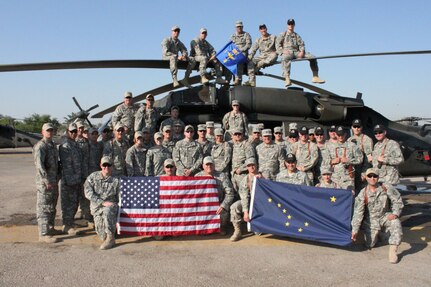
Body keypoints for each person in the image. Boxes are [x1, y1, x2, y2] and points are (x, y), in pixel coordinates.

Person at [351, 168, 403, 264]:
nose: (372, 178)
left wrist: (395, 213)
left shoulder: (385, 187)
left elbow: (397, 200)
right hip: (371, 221)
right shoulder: (363, 194)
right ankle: (380, 234)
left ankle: (393, 251)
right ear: (366, 178)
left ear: (378, 177)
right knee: (370, 244)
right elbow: (358, 213)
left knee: (395, 222)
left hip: (384, 216)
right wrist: (355, 230)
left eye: (375, 176)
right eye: (369, 176)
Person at [84, 156, 120, 250]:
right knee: (102, 236)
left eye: (109, 165)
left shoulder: (116, 180)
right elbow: (88, 193)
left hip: (111, 207)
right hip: (97, 208)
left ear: (112, 166)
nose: (106, 167)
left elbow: (120, 197)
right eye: (104, 165)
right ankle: (107, 234)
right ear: (100, 165)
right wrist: (102, 202)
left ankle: (111, 238)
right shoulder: (93, 177)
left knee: (108, 210)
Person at [33, 123, 61, 243]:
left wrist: (57, 177)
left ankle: (50, 228)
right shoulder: (41, 146)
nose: (50, 132)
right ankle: (43, 234)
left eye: (51, 130)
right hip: (45, 183)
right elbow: (39, 166)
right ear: (42, 132)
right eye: (47, 130)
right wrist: (46, 180)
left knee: (52, 206)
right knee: (44, 207)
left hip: (53, 181)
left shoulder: (53, 145)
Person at [276, 19, 325, 87]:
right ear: (287, 25)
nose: (291, 25)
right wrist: (282, 51)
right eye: (289, 24)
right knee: (285, 58)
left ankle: (315, 77)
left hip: (297, 52)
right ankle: (287, 78)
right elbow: (277, 45)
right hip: (288, 52)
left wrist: (302, 51)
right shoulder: (282, 34)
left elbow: (301, 44)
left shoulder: (297, 35)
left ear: (294, 25)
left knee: (312, 57)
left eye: (292, 24)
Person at [196, 157, 234, 234]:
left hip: (218, 204)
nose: (209, 166)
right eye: (207, 165)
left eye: (211, 164)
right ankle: (204, 228)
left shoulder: (222, 176)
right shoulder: (197, 177)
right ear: (203, 166)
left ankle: (221, 227)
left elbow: (230, 193)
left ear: (214, 165)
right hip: (203, 205)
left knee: (224, 212)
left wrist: (223, 205)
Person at [230, 158, 262, 241]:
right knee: (234, 207)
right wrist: (245, 212)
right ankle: (237, 231)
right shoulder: (245, 180)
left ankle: (259, 226)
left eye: (253, 165)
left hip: (262, 203)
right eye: (249, 166)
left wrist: (263, 179)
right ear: (247, 167)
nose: (251, 167)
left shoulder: (264, 175)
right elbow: (244, 198)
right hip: (250, 202)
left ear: (256, 165)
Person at [59, 123, 82, 235]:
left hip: (76, 179)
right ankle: (66, 225)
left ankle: (70, 222)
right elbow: (66, 166)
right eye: (71, 131)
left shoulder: (75, 144)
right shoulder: (65, 145)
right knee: (67, 204)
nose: (73, 133)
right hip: (69, 181)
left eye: (75, 131)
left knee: (74, 203)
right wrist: (71, 181)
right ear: (67, 131)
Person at [328, 126, 363, 190]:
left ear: (345, 134)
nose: (340, 137)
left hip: (348, 178)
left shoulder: (352, 145)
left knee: (348, 197)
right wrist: (331, 161)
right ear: (335, 134)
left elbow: (360, 159)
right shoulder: (330, 146)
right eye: (339, 135)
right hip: (334, 178)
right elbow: (324, 161)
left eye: (342, 134)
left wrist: (349, 161)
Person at [348, 119, 374, 190]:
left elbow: (368, 159)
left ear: (361, 128)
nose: (356, 129)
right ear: (352, 127)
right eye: (355, 126)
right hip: (353, 172)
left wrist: (364, 173)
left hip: (362, 171)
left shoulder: (366, 139)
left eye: (358, 127)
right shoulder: (349, 140)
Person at [75, 121, 92, 225]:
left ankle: (87, 217)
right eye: (78, 128)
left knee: (85, 196)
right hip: (75, 174)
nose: (80, 130)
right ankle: (70, 220)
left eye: (82, 128)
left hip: (86, 173)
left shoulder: (87, 141)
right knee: (73, 198)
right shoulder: (72, 142)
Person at [230, 21, 252, 85]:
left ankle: (238, 78)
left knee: (239, 59)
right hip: (234, 53)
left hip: (243, 53)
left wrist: (241, 50)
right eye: (237, 27)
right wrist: (234, 52)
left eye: (240, 26)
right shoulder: (233, 36)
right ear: (235, 28)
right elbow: (230, 46)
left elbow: (249, 45)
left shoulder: (246, 35)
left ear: (242, 27)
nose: (239, 28)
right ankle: (230, 79)